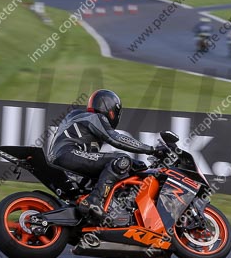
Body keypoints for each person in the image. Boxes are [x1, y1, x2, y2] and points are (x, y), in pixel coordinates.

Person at [47, 90, 167, 219]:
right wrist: (151, 149)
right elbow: (116, 139)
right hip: (68, 154)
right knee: (122, 159)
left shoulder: (79, 117)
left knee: (121, 165)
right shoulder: (94, 117)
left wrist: (135, 164)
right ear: (111, 110)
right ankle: (94, 201)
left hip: (64, 156)